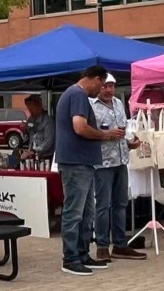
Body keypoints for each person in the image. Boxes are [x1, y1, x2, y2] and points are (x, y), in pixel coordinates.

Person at [55, 64, 124, 276]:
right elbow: (80, 127)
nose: (101, 90)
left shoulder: (74, 94)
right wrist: (105, 135)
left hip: (82, 162)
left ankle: (82, 253)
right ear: (94, 79)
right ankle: (71, 258)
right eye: (101, 84)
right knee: (74, 212)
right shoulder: (77, 95)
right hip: (75, 163)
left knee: (87, 212)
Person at [91, 74, 146, 261]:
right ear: (98, 85)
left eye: (112, 86)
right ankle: (102, 246)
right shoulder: (91, 105)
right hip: (103, 163)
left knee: (121, 204)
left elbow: (124, 130)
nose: (109, 90)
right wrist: (107, 134)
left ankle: (120, 245)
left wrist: (131, 143)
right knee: (103, 205)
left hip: (121, 161)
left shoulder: (118, 103)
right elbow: (86, 132)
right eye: (105, 86)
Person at [20, 94, 55, 160]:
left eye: (32, 108)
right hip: (32, 156)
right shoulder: (30, 119)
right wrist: (24, 131)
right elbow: (26, 139)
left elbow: (48, 142)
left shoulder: (48, 121)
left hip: (45, 157)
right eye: (28, 108)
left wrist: (34, 151)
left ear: (39, 106)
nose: (30, 111)